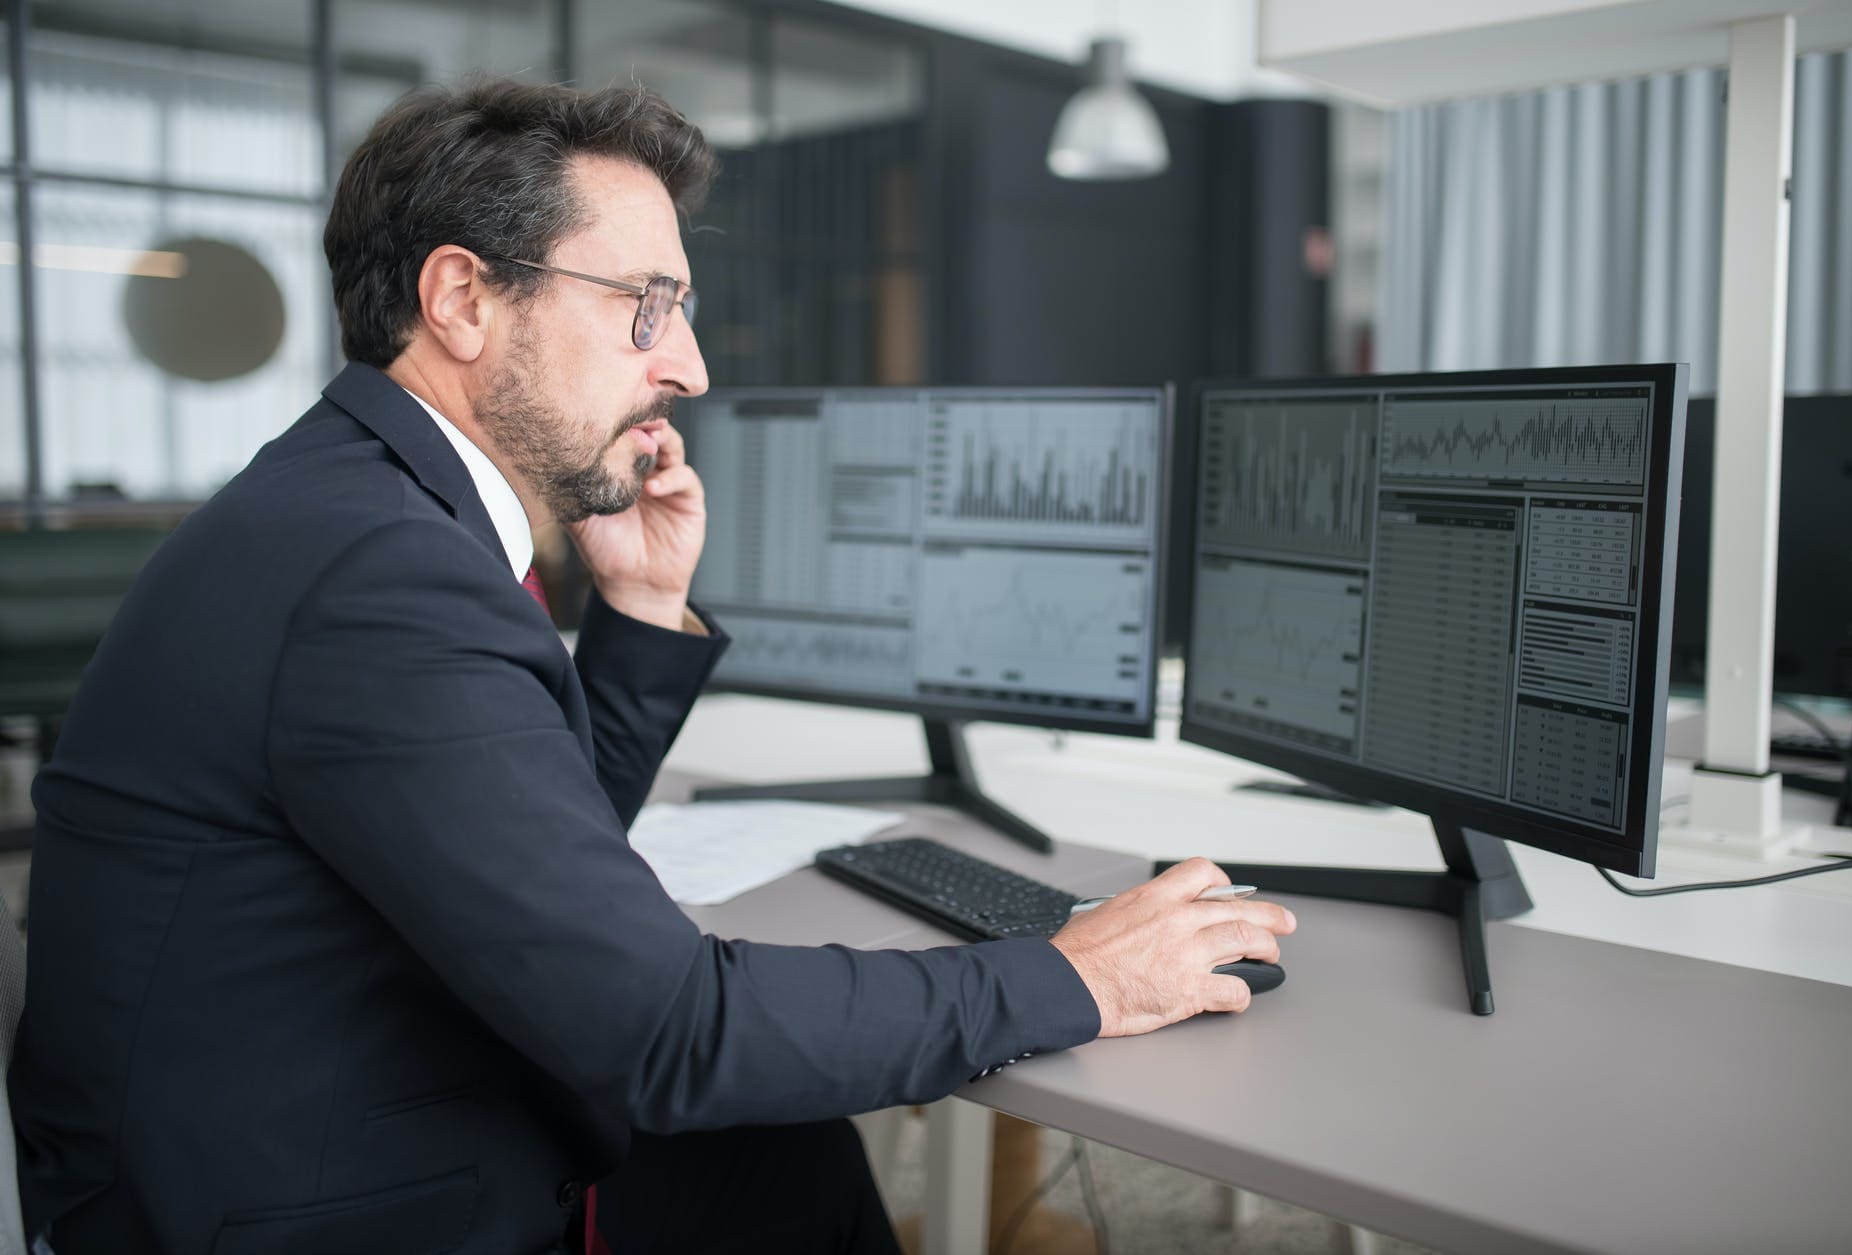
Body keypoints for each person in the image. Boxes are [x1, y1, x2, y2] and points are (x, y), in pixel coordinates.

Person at [8, 78, 1296, 1255]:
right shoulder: (380, 576)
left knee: (787, 1163)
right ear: (462, 299)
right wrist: (1073, 976)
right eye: (647, 307)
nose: (688, 365)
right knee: (760, 1142)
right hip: (298, 1203)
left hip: (283, 1116)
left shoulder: (350, 506)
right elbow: (667, 1035)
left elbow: (522, 863)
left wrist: (633, 608)